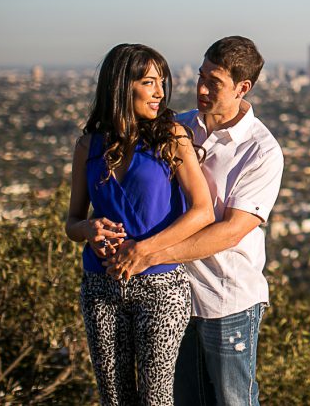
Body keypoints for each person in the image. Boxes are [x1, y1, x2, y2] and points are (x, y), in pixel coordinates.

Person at [106, 36, 283, 406]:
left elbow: (231, 231)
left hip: (227, 300)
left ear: (242, 88)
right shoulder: (178, 128)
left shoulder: (260, 150)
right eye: (201, 76)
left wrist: (151, 254)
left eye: (214, 82)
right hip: (176, 297)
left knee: (233, 400)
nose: (201, 88)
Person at [65, 43, 213, 406]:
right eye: (149, 82)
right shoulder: (89, 146)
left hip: (161, 287)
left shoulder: (172, 138)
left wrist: (144, 250)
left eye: (162, 82)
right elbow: (72, 222)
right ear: (120, 86)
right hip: (101, 286)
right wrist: (89, 230)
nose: (160, 92)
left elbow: (202, 211)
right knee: (114, 398)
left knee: (156, 399)